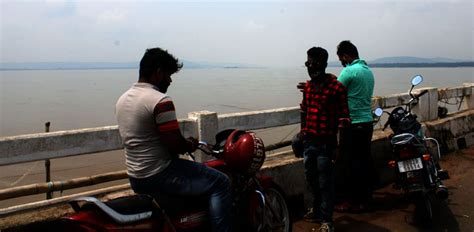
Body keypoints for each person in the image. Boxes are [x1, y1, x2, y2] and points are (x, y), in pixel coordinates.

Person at [115, 47, 232, 232]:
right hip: (160, 174)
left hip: (136, 177)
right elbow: (176, 145)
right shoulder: (160, 101)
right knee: (221, 182)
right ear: (159, 72)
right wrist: (191, 143)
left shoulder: (122, 100)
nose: (170, 81)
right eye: (169, 75)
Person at [299, 46, 350, 232]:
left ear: (325, 64)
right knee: (310, 178)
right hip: (309, 143)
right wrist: (302, 132)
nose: (311, 67)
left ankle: (327, 221)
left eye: (315, 63)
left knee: (325, 182)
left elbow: (344, 120)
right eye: (308, 63)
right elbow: (304, 112)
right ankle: (318, 211)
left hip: (326, 144)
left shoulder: (337, 88)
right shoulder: (308, 87)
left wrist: (338, 147)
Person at [334, 40, 376, 213]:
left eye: (341, 60)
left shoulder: (349, 71)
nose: (342, 63)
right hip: (367, 123)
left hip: (351, 124)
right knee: (364, 161)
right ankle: (364, 200)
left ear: (346, 56)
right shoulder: (368, 71)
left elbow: (334, 91)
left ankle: (347, 201)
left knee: (347, 164)